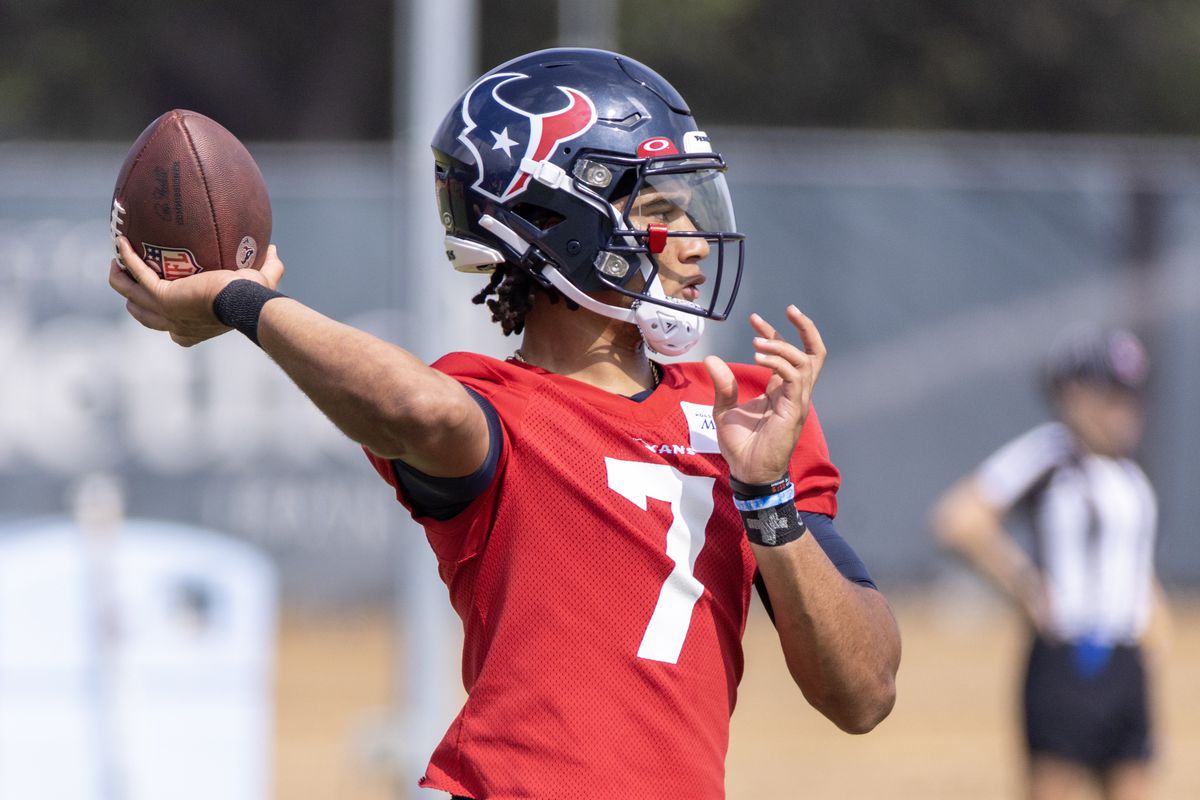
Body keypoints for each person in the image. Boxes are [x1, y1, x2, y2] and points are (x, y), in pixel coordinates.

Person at [109, 48, 900, 799]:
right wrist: (238, 299)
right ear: (560, 219)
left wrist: (767, 497)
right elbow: (415, 406)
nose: (693, 246)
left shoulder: (746, 409)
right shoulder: (494, 408)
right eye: (661, 210)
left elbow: (862, 693)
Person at [932, 326, 1169, 800]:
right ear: (1075, 393)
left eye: (1132, 396)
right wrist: (1025, 583)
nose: (1126, 409)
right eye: (1113, 395)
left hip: (1126, 664)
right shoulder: (1051, 455)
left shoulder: (1129, 474)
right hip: (1068, 661)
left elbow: (1133, 568)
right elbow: (958, 518)